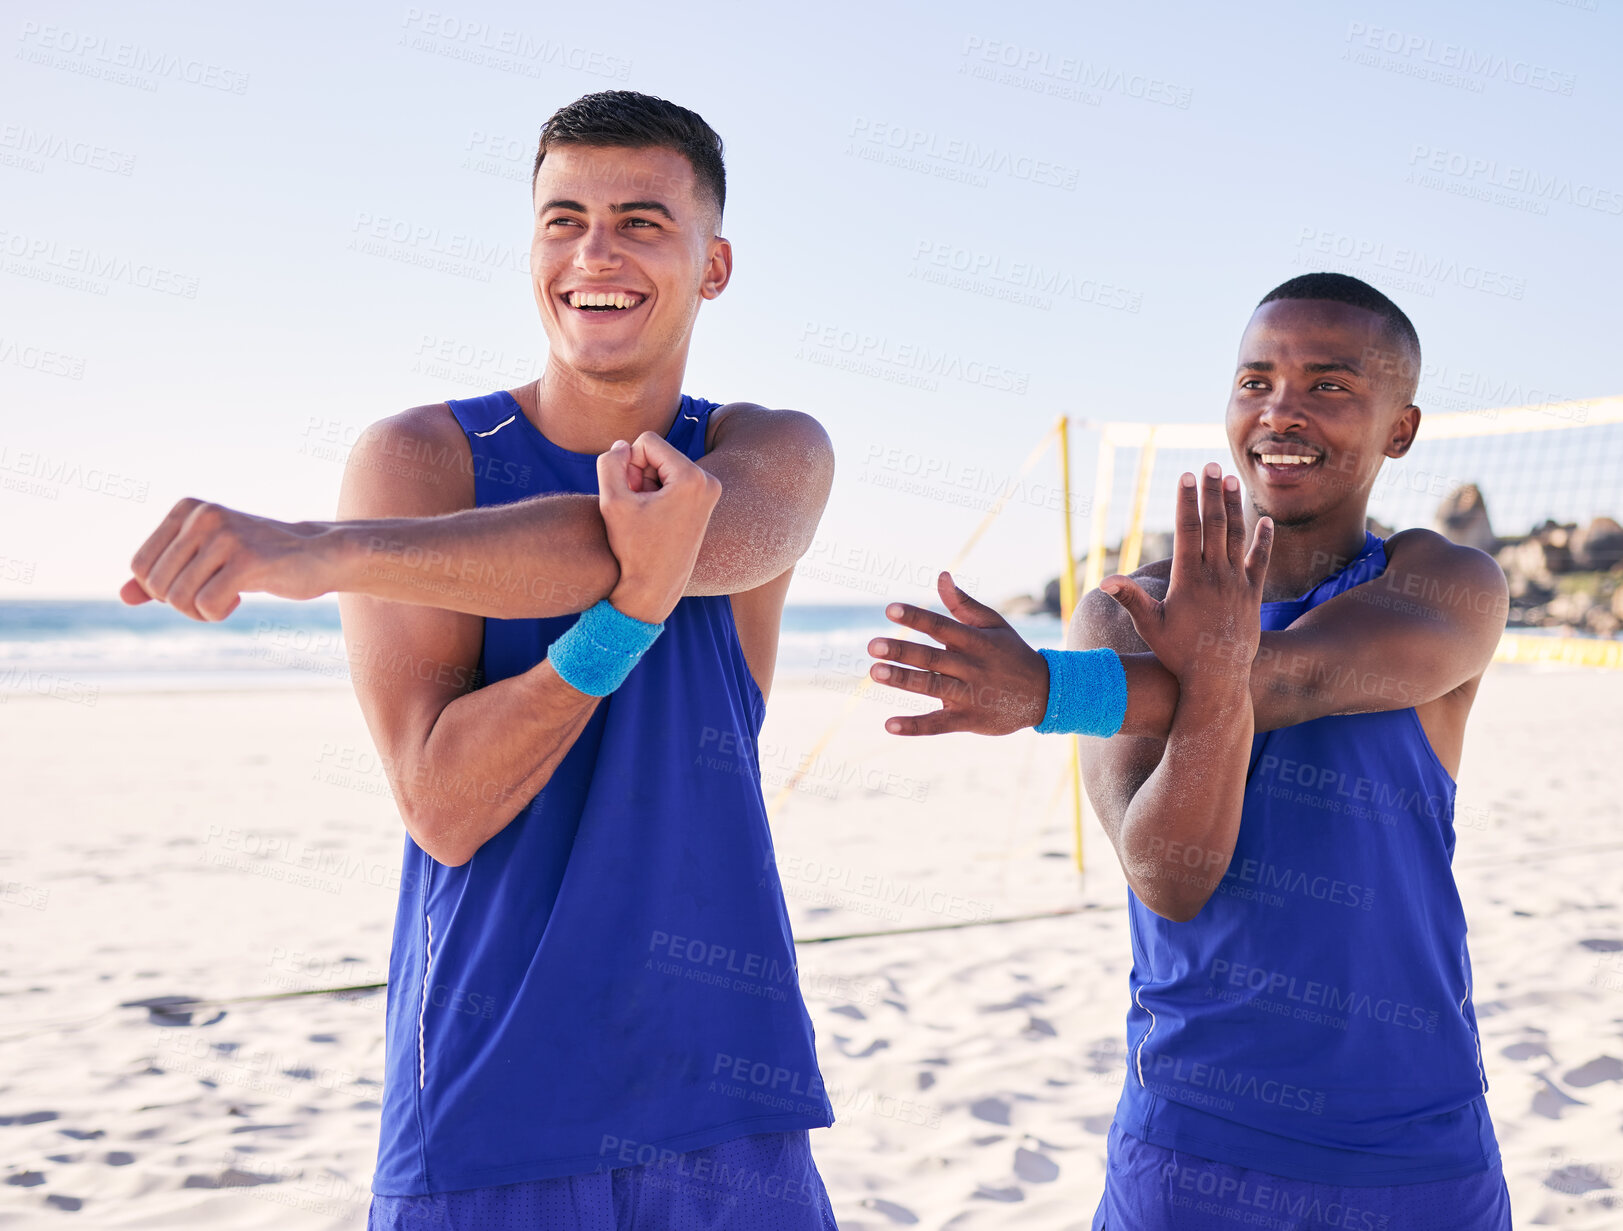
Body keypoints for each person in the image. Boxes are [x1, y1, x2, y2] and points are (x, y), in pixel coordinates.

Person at [122, 91, 841, 1229]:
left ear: (716, 265)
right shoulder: (422, 461)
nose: (594, 252)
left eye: (642, 221)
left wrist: (319, 553)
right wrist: (626, 616)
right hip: (490, 1107)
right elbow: (447, 807)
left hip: (728, 1106)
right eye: (564, 219)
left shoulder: (768, 451)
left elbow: (663, 527)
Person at [865, 273, 1513, 1228]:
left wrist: (1052, 691)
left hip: (1413, 1136)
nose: (1280, 411)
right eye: (1255, 381)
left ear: (1399, 428)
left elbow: (1288, 679)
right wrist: (1102, 681)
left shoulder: (1446, 581)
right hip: (1194, 1139)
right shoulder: (1120, 609)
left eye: (1328, 385)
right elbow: (1170, 877)